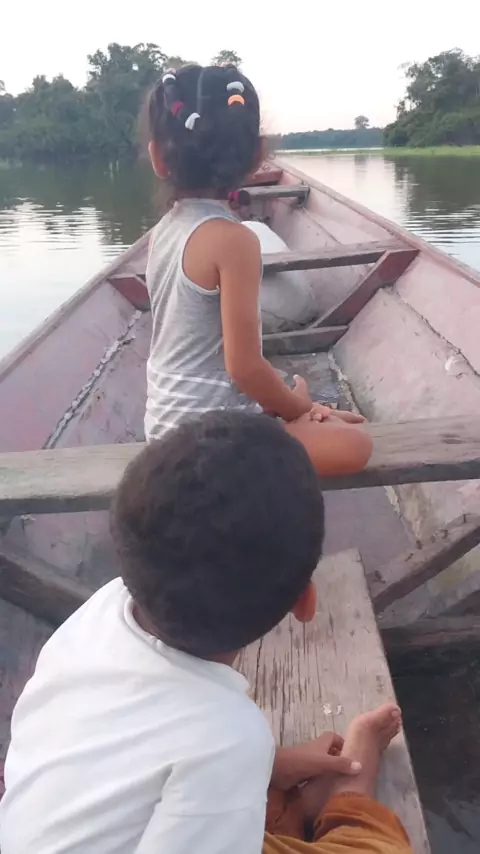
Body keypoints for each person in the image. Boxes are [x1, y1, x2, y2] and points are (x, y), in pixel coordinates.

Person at [0, 412, 411, 854]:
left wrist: (269, 764)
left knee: (229, 792)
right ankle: (349, 792)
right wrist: (255, 760)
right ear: (305, 603)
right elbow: (204, 752)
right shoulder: (228, 738)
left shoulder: (101, 609)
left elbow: (123, 756)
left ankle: (289, 796)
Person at [143, 63, 372, 477]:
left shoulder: (162, 233)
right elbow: (244, 367)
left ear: (157, 157)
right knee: (356, 444)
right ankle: (292, 412)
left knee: (299, 400)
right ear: (257, 155)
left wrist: (293, 405)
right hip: (209, 444)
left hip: (163, 428)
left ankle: (290, 406)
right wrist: (301, 411)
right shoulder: (234, 241)